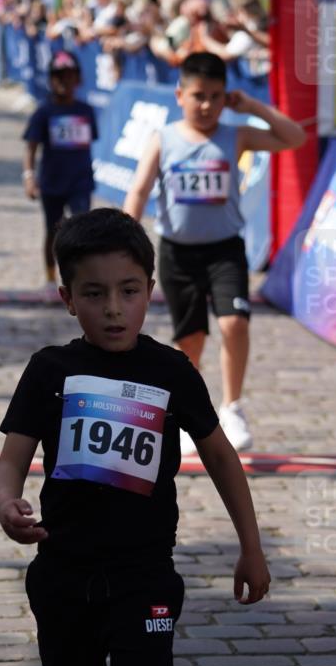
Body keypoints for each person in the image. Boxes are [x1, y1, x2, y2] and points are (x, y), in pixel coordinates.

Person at [0, 207, 270, 666]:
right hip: (62, 577)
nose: (113, 309)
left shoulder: (171, 371)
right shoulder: (48, 371)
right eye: (94, 294)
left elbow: (222, 456)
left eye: (128, 291)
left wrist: (250, 547)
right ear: (66, 299)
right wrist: (7, 506)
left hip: (144, 576)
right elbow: (9, 465)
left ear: (151, 290)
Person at [124, 51, 306, 453]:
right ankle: (191, 416)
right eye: (198, 96)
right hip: (177, 253)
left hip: (225, 251)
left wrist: (254, 107)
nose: (206, 105)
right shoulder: (164, 138)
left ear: (227, 97)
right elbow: (138, 190)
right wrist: (125, 239)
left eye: (216, 96)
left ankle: (233, 406)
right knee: (189, 342)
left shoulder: (235, 135)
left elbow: (295, 138)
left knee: (234, 324)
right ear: (180, 95)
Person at [22, 50, 98, 301]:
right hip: (52, 183)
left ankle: (82, 280)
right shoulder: (44, 112)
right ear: (50, 79)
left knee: (83, 233)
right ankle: (49, 278)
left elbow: (89, 144)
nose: (63, 81)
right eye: (58, 76)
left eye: (69, 76)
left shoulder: (86, 110)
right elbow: (31, 146)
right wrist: (29, 176)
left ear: (78, 79)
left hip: (80, 183)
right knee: (53, 232)